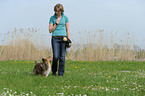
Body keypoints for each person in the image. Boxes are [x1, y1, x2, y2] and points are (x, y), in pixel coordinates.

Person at [49, 4, 70, 76]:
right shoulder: (52, 18)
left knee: (62, 57)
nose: (57, 12)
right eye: (56, 11)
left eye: (58, 11)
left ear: (61, 11)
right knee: (55, 56)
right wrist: (56, 24)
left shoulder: (65, 18)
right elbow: (50, 30)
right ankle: (54, 72)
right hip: (55, 38)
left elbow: (67, 30)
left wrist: (68, 40)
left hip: (63, 39)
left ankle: (61, 74)